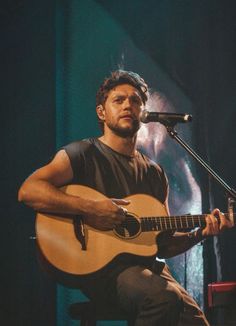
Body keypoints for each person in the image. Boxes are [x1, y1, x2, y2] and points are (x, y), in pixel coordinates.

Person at [18, 70, 233, 325]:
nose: (128, 105)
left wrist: (200, 233)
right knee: (163, 298)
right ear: (102, 112)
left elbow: (163, 243)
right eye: (118, 100)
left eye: (135, 101)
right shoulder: (82, 153)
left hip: (148, 268)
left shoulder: (155, 173)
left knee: (196, 321)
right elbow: (29, 190)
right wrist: (90, 208)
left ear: (143, 112)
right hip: (103, 271)